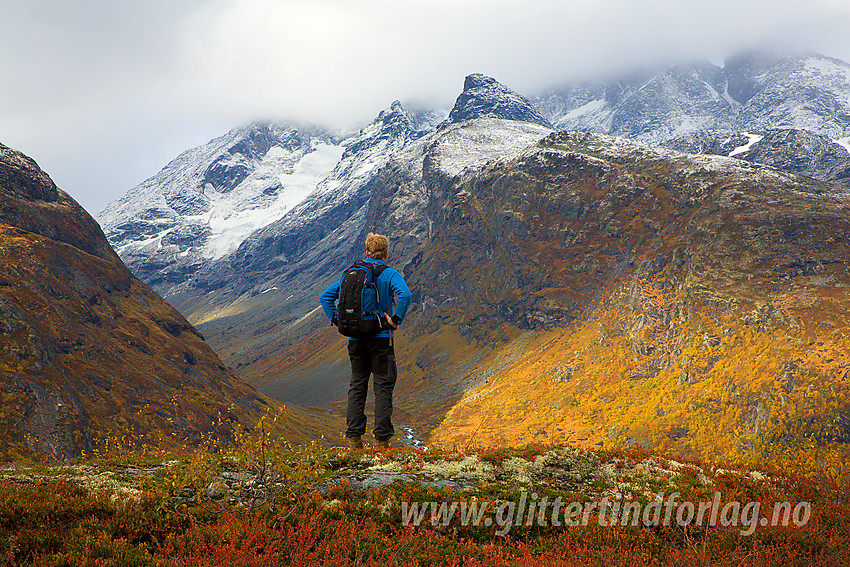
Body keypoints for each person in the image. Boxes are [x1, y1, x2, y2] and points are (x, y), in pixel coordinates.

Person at [319, 232, 411, 449]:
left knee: (357, 386)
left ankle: (354, 441)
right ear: (386, 253)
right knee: (383, 388)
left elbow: (325, 296)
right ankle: (381, 443)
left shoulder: (351, 273)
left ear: (367, 251)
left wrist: (338, 320)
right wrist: (395, 319)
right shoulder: (390, 274)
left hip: (355, 339)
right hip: (380, 339)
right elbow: (405, 295)